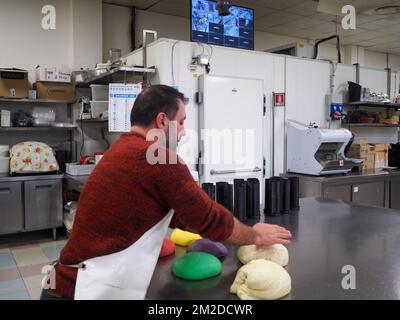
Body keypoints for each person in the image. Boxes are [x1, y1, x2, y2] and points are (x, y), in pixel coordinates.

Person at [41, 85, 291, 300]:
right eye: (181, 122)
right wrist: (253, 235)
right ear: (162, 121)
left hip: (65, 282)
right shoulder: (159, 159)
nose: (183, 132)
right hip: (80, 289)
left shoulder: (123, 148)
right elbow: (207, 219)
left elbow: (176, 213)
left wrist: (209, 219)